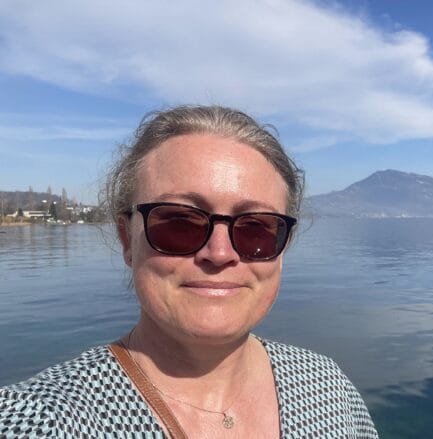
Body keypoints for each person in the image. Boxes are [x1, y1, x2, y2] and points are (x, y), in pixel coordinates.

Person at [0, 105, 379, 438]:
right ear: (127, 239)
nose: (220, 253)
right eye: (179, 222)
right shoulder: (40, 421)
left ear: (282, 247)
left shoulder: (327, 388)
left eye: (256, 229)